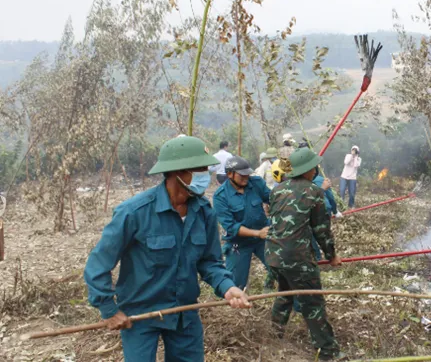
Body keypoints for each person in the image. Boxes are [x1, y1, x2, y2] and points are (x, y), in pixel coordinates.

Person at [83, 136, 252, 362]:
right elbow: (98, 264)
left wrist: (228, 287)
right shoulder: (134, 212)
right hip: (141, 316)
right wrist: (108, 309)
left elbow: (210, 262)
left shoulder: (204, 213)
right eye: (199, 169)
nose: (206, 176)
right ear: (177, 173)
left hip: (185, 313)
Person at [267, 147, 343, 360]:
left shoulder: (277, 190)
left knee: (285, 293)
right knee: (312, 303)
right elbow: (321, 230)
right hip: (297, 258)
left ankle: (273, 335)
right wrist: (332, 256)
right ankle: (328, 350)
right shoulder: (315, 193)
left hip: (274, 254)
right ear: (310, 169)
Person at [213, 156, 272, 291]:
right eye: (242, 175)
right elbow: (230, 226)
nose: (246, 178)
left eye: (247, 174)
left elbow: (272, 199)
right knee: (235, 285)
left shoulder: (256, 183)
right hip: (239, 244)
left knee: (280, 268)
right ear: (229, 174)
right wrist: (257, 233)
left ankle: (274, 290)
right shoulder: (220, 196)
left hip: (263, 238)